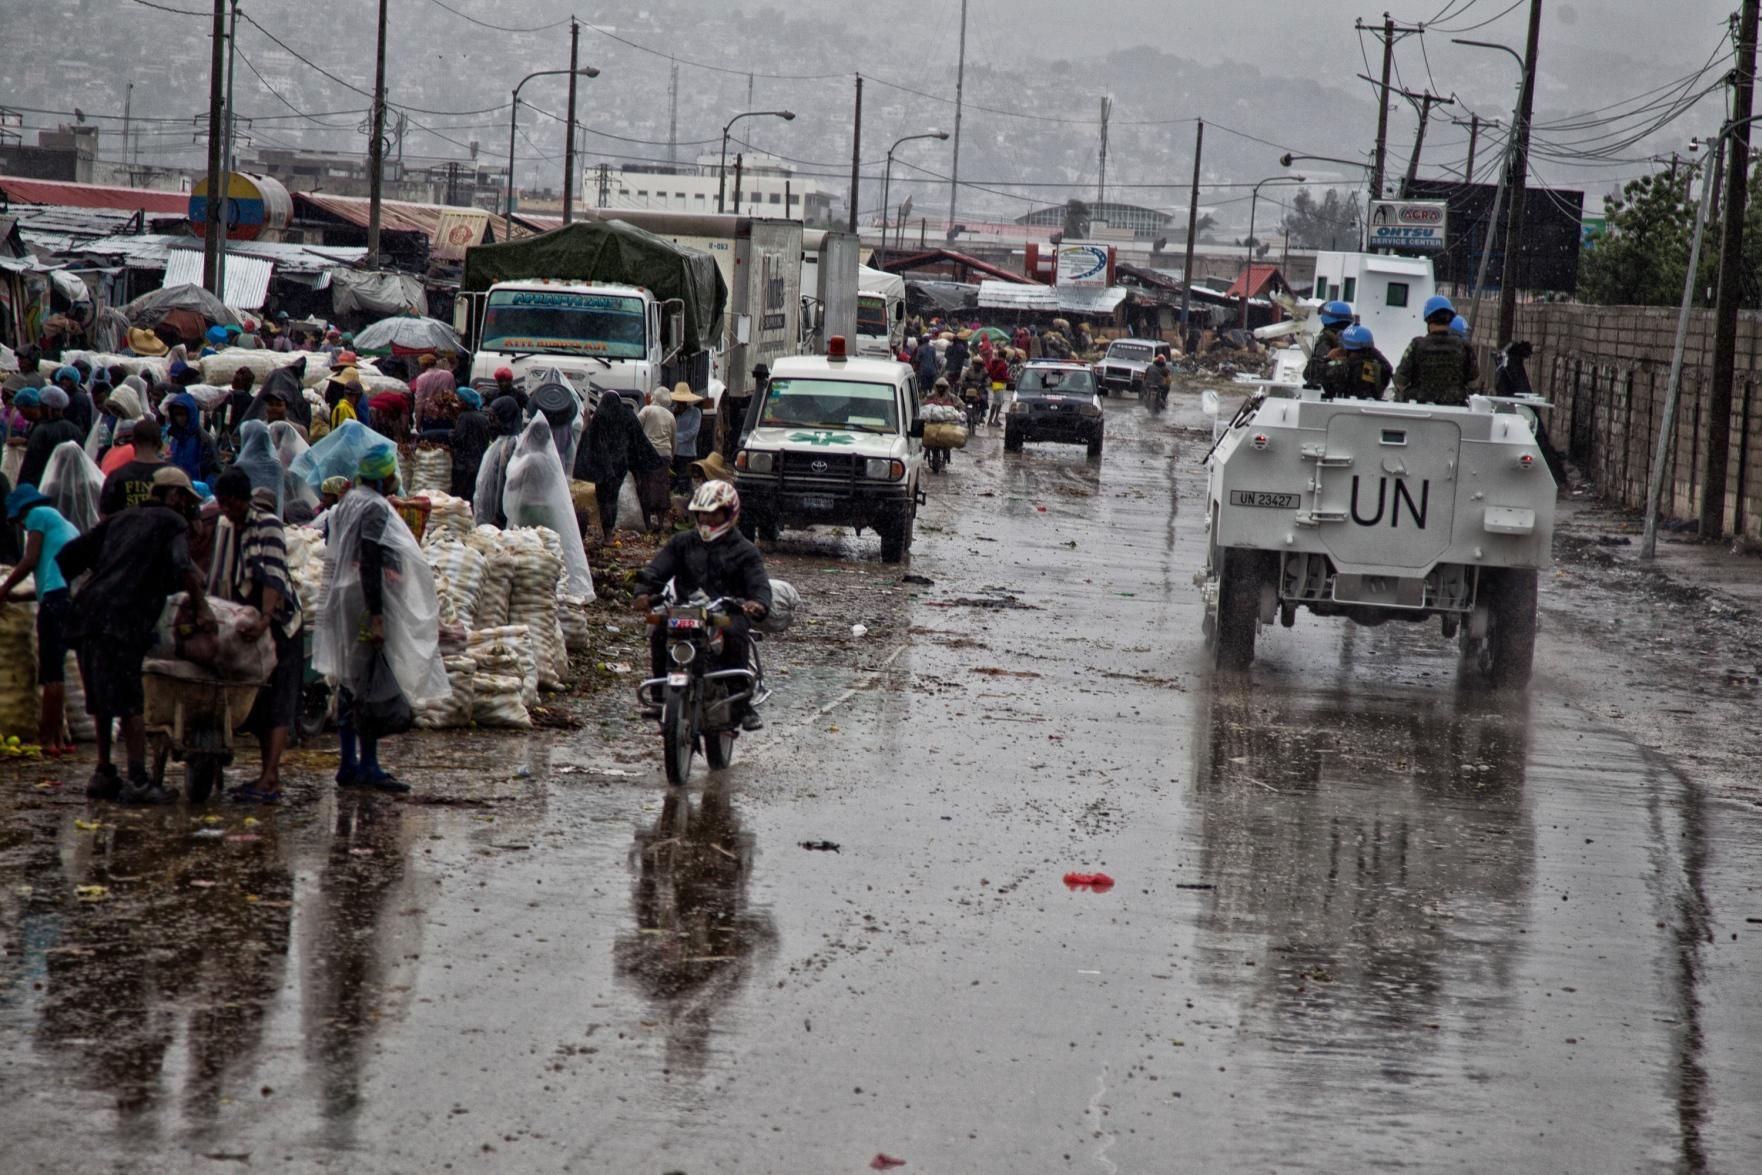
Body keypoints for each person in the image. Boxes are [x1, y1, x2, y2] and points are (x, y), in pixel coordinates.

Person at [58, 465, 212, 803]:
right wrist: (202, 608)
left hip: (88, 613)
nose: (189, 508)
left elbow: (68, 556)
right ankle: (140, 780)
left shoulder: (120, 519)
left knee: (103, 698)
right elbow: (182, 566)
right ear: (173, 496)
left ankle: (104, 773)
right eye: (186, 500)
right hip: (122, 619)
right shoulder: (171, 522)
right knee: (130, 702)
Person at [313, 446, 449, 794]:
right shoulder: (373, 507)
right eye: (391, 472)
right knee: (369, 679)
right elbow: (371, 557)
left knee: (349, 679)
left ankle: (348, 762)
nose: (395, 478)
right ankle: (368, 765)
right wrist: (376, 615)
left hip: (344, 595)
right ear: (383, 475)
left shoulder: (348, 501)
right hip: (363, 598)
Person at [631, 481, 771, 730]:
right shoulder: (681, 542)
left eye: (714, 513)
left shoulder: (745, 550)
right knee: (658, 629)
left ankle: (741, 705)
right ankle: (660, 699)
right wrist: (643, 592)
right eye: (702, 513)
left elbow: (759, 585)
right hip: (685, 609)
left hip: (726, 612)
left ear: (729, 514)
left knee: (735, 632)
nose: (707, 519)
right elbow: (656, 570)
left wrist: (756, 603)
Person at [208, 467, 303, 803]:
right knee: (258, 702)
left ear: (242, 500)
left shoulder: (267, 525)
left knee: (278, 699)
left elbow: (273, 577)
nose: (226, 509)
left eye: (230, 503)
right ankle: (265, 774)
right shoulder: (225, 527)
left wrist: (264, 620)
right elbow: (221, 579)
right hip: (244, 621)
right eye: (221, 504)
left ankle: (271, 777)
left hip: (278, 624)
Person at [0, 486, 81, 755]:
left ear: (23, 511)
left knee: (51, 674)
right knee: (56, 669)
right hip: (65, 600)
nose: (22, 526)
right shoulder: (63, 525)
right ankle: (59, 738)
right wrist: (14, 598)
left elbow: (29, 560)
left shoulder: (38, 515)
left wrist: (3, 589)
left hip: (54, 604)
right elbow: (49, 583)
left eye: (19, 521)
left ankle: (46, 740)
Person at [578, 391, 664, 537]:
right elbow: (638, 438)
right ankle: (609, 533)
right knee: (613, 497)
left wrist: (586, 424)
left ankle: (607, 532)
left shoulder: (600, 416)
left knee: (603, 498)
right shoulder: (627, 415)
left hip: (603, 464)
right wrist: (648, 460)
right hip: (620, 465)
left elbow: (591, 440)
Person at [1394, 295, 1478, 406]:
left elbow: (1400, 380)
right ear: (1450, 319)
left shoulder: (1417, 345)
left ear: (1428, 320)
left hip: (1420, 410)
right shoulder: (1464, 347)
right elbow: (1473, 384)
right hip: (1455, 411)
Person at [98, 417, 169, 515]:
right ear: (159, 443)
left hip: (124, 529)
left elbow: (104, 515)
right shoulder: (173, 475)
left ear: (134, 443)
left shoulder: (116, 476)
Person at [472, 396, 525, 527]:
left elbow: (506, 482)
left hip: (498, 517)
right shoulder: (500, 442)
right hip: (487, 514)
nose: (491, 422)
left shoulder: (512, 444)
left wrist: (499, 515)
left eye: (494, 417)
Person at [18, 386, 84, 489]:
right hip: (69, 485)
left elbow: (31, 467)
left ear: (47, 407)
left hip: (44, 485)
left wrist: (23, 489)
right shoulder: (75, 430)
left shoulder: (41, 431)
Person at [637, 386, 677, 529]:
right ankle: (660, 523)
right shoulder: (670, 416)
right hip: (664, 455)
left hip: (648, 454)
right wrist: (671, 457)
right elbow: (673, 440)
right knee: (662, 488)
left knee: (646, 486)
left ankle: (647, 523)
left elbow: (636, 427)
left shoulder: (647, 410)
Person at [163, 390, 221, 484]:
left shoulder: (204, 440)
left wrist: (204, 488)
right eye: (176, 414)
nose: (179, 418)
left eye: (182, 414)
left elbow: (214, 471)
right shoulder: (174, 437)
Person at [1324, 325, 1395, 401]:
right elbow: (1389, 368)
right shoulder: (1378, 367)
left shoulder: (1343, 367)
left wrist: (1327, 359)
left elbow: (1317, 374)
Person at [448, 392, 493, 501]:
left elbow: (458, 438)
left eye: (460, 401)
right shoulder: (483, 418)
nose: (458, 403)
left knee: (459, 497)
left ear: (466, 402)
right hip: (478, 462)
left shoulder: (464, 417)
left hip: (463, 464)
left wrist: (450, 433)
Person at [1303, 300, 1355, 388]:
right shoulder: (1354, 337)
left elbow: (1312, 373)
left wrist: (1325, 360)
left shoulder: (1325, 338)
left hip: (1329, 392)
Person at [669, 383, 705, 488]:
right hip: (674, 452)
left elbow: (693, 432)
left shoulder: (695, 412)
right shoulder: (673, 412)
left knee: (685, 481)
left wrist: (675, 437)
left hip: (687, 453)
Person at [985, 350, 1011, 426]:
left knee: (999, 402)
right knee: (996, 403)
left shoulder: (993, 362)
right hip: (999, 384)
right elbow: (1004, 375)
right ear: (1005, 356)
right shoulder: (1003, 364)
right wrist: (1009, 379)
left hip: (994, 383)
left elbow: (989, 371)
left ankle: (995, 419)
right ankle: (990, 421)